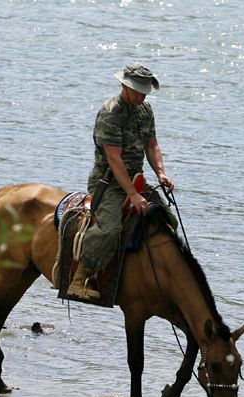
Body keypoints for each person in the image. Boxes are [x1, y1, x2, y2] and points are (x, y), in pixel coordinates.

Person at [68, 62, 177, 300]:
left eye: (145, 91)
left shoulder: (145, 110)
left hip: (136, 179)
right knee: (110, 229)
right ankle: (80, 278)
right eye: (138, 90)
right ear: (124, 86)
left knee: (168, 219)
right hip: (108, 183)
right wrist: (133, 195)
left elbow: (152, 145)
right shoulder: (111, 112)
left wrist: (161, 173)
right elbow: (114, 158)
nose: (142, 95)